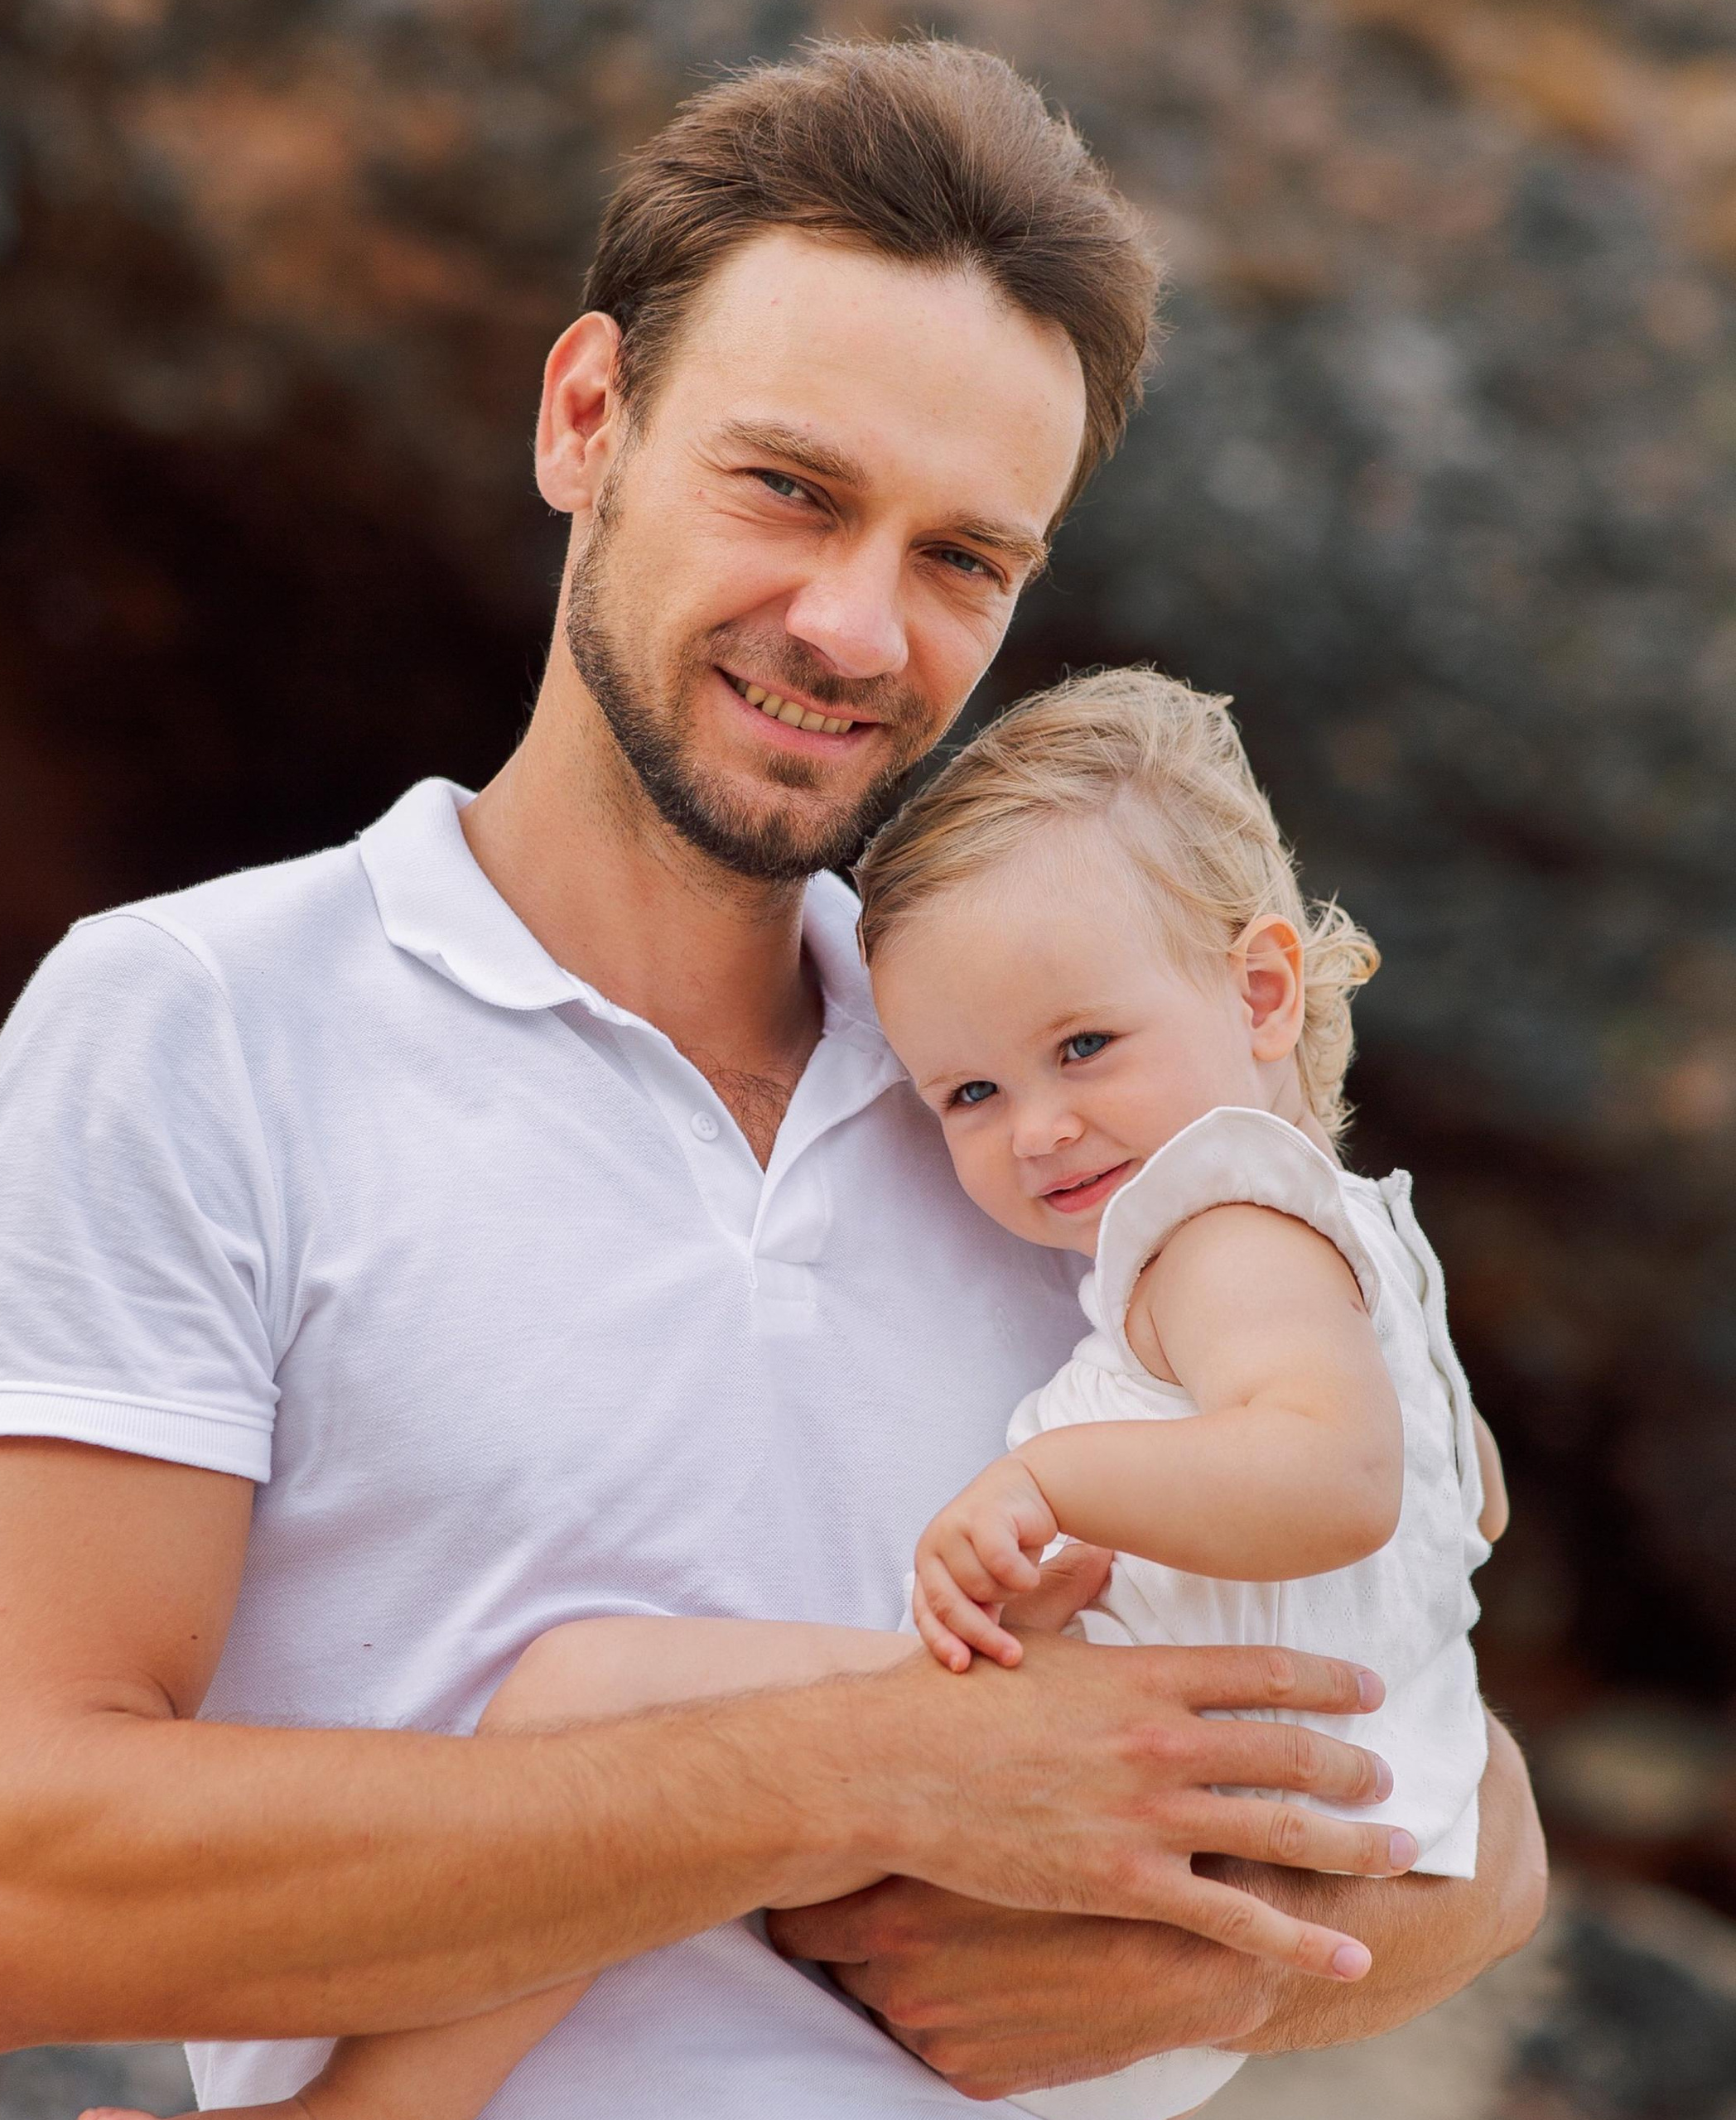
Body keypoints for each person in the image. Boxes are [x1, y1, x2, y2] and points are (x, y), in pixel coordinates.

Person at [0, 37, 1547, 2118]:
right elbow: (5, 1888)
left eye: (964, 557)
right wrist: (865, 1778)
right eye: (789, 486)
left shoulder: (1052, 1103)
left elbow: (1464, 1786)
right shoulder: (189, 1026)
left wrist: (1180, 1974)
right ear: (587, 415)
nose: (852, 624)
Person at [78, 670, 1514, 2120]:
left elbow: (1334, 1478)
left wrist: (1050, 1483)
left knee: (592, 1693)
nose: (1042, 1131)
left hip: (1155, 1865)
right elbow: (1450, 1506)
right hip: (1250, 1882)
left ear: (1261, 991)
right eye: (968, 1095)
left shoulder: (1215, 1225)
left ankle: (362, 2113)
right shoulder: (1364, 1254)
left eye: (1084, 1047)